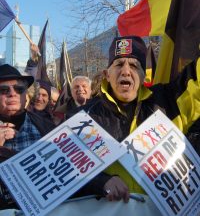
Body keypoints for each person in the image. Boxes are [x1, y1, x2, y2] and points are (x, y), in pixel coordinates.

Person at [70, 36, 200, 203]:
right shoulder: (81, 118)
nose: (126, 71)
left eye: (134, 65)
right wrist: (100, 182)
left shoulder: (169, 103)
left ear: (143, 75)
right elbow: (62, 174)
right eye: (118, 64)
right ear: (106, 74)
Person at [0, 64, 56, 209]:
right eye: (4, 90)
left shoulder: (48, 128)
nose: (12, 94)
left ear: (26, 96)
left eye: (19, 89)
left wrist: (103, 183)